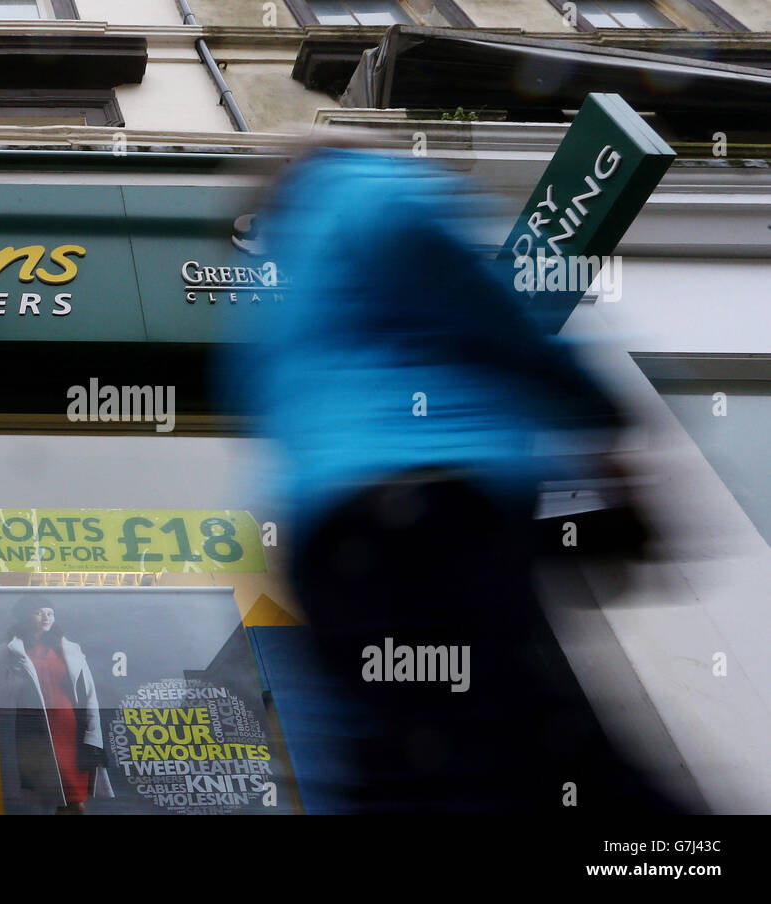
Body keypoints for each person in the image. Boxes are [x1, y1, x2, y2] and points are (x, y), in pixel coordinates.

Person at [229, 145, 682, 813]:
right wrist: (588, 397)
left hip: (328, 543)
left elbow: (263, 410)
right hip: (427, 509)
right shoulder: (365, 187)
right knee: (534, 740)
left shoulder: (275, 290)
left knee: (401, 760)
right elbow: (469, 287)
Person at [0, 598, 112, 814]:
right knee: (43, 800)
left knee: (74, 800)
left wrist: (93, 735)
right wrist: (19, 679)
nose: (46, 617)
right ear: (25, 616)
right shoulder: (7, 651)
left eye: (50, 613)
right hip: (34, 731)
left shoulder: (69, 648)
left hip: (70, 730)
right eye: (39, 612)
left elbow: (89, 693)